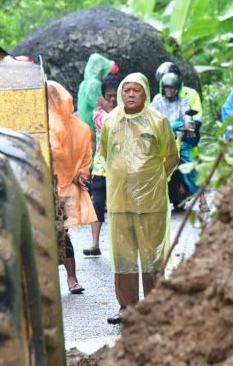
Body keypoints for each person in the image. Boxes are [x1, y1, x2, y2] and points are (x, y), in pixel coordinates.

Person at [99, 72, 179, 324]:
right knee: (123, 255)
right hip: (120, 200)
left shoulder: (158, 121)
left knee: (152, 255)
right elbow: (104, 154)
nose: (130, 94)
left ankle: (155, 306)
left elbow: (171, 156)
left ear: (145, 93)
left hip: (151, 202)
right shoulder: (111, 121)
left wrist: (153, 180)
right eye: (127, 90)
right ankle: (127, 307)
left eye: (136, 90)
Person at [47, 80, 98, 294]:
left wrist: (74, 173)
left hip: (53, 186)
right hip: (59, 186)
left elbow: (56, 154)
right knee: (61, 234)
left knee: (59, 234)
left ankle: (69, 278)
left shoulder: (54, 123)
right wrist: (79, 173)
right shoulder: (73, 124)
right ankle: (71, 279)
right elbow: (85, 152)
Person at [151, 72, 201, 209]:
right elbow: (150, 118)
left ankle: (201, 198)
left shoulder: (183, 102)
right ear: (163, 88)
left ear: (177, 88)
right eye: (167, 87)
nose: (170, 90)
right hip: (162, 141)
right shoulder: (157, 103)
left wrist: (189, 125)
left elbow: (187, 115)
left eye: (173, 88)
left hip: (179, 139)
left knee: (191, 163)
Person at [83, 74, 120, 256]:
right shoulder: (98, 113)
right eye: (108, 95)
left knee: (119, 207)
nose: (112, 99)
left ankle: (120, 245)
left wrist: (111, 109)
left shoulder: (125, 113)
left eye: (115, 95)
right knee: (97, 205)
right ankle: (95, 244)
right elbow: (107, 125)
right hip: (100, 167)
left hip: (120, 168)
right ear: (103, 95)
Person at [77, 53, 113, 130]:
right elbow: (103, 105)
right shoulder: (94, 84)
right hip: (90, 128)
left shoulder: (83, 84)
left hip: (81, 126)